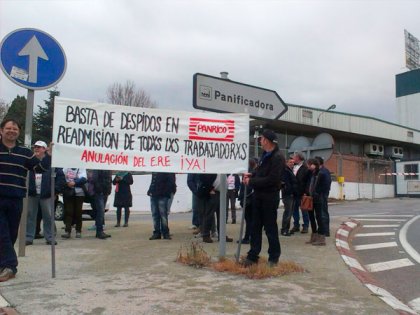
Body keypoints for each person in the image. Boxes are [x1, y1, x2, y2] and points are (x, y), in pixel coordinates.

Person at [0, 118, 50, 282]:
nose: (11, 131)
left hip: (16, 198)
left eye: (15, 129)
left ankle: (4, 264)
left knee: (12, 233)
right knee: (2, 232)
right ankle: (11, 266)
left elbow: (40, 168)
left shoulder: (25, 152)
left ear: (19, 132)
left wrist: (48, 155)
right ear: (1, 131)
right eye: (8, 128)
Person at [243, 129, 285, 267]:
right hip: (258, 197)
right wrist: (251, 175)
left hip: (269, 197)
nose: (259, 141)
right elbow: (259, 172)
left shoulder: (278, 157)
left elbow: (273, 179)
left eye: (261, 139)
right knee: (255, 227)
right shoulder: (265, 155)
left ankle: (274, 257)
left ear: (266, 140)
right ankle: (253, 255)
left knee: (270, 228)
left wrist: (252, 182)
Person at [26, 140, 57, 246]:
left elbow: (60, 177)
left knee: (48, 216)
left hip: (46, 195)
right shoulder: (30, 161)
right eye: (35, 147)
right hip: (32, 193)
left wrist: (54, 190)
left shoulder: (51, 162)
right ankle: (29, 237)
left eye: (39, 147)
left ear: (45, 149)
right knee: (30, 215)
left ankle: (50, 237)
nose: (36, 149)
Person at [57, 167, 87, 239]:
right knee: (68, 211)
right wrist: (67, 184)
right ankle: (67, 231)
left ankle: (78, 231)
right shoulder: (66, 167)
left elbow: (84, 179)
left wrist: (74, 183)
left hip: (79, 193)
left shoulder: (81, 167)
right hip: (68, 192)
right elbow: (61, 176)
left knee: (78, 212)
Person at [147, 172, 176, 240]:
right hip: (154, 193)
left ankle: (165, 233)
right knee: (155, 215)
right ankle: (157, 232)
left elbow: (171, 182)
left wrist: (167, 193)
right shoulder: (156, 169)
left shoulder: (166, 169)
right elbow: (153, 181)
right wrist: (150, 190)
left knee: (163, 215)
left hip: (162, 194)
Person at [305, 158, 326, 246]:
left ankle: (321, 238)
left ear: (314, 165)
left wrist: (317, 193)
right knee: (311, 217)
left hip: (317, 199)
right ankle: (314, 236)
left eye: (309, 165)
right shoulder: (312, 173)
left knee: (319, 217)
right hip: (310, 198)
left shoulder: (321, 173)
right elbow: (309, 184)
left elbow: (323, 187)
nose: (308, 166)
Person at [237, 157, 258, 244]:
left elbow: (246, 188)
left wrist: (242, 198)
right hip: (249, 199)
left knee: (249, 220)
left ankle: (247, 237)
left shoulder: (249, 174)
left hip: (249, 200)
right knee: (251, 220)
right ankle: (250, 237)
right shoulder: (252, 173)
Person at [291, 152, 311, 234]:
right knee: (294, 210)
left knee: (304, 210)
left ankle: (305, 226)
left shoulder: (305, 168)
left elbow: (308, 181)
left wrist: (306, 192)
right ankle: (296, 226)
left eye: (294, 157)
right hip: (294, 192)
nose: (293, 158)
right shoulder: (294, 167)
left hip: (302, 193)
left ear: (298, 158)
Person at [91, 169, 112, 239]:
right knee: (100, 211)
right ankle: (99, 231)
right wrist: (99, 188)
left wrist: (109, 189)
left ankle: (100, 231)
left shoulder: (107, 168)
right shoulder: (98, 168)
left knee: (101, 212)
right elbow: (94, 179)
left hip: (105, 191)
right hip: (99, 192)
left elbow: (109, 179)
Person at [280, 157, 298, 236]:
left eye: (293, 162)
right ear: (286, 163)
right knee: (287, 213)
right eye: (290, 162)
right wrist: (290, 191)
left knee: (289, 213)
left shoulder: (290, 170)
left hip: (292, 194)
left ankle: (286, 229)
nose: (292, 164)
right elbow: (285, 183)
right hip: (288, 195)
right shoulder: (285, 171)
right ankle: (284, 229)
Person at [315, 156, 332, 237]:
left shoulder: (323, 171)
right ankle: (322, 229)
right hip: (320, 195)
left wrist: (318, 192)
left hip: (322, 195)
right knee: (320, 213)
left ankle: (325, 231)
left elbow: (326, 185)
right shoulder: (320, 171)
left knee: (323, 213)